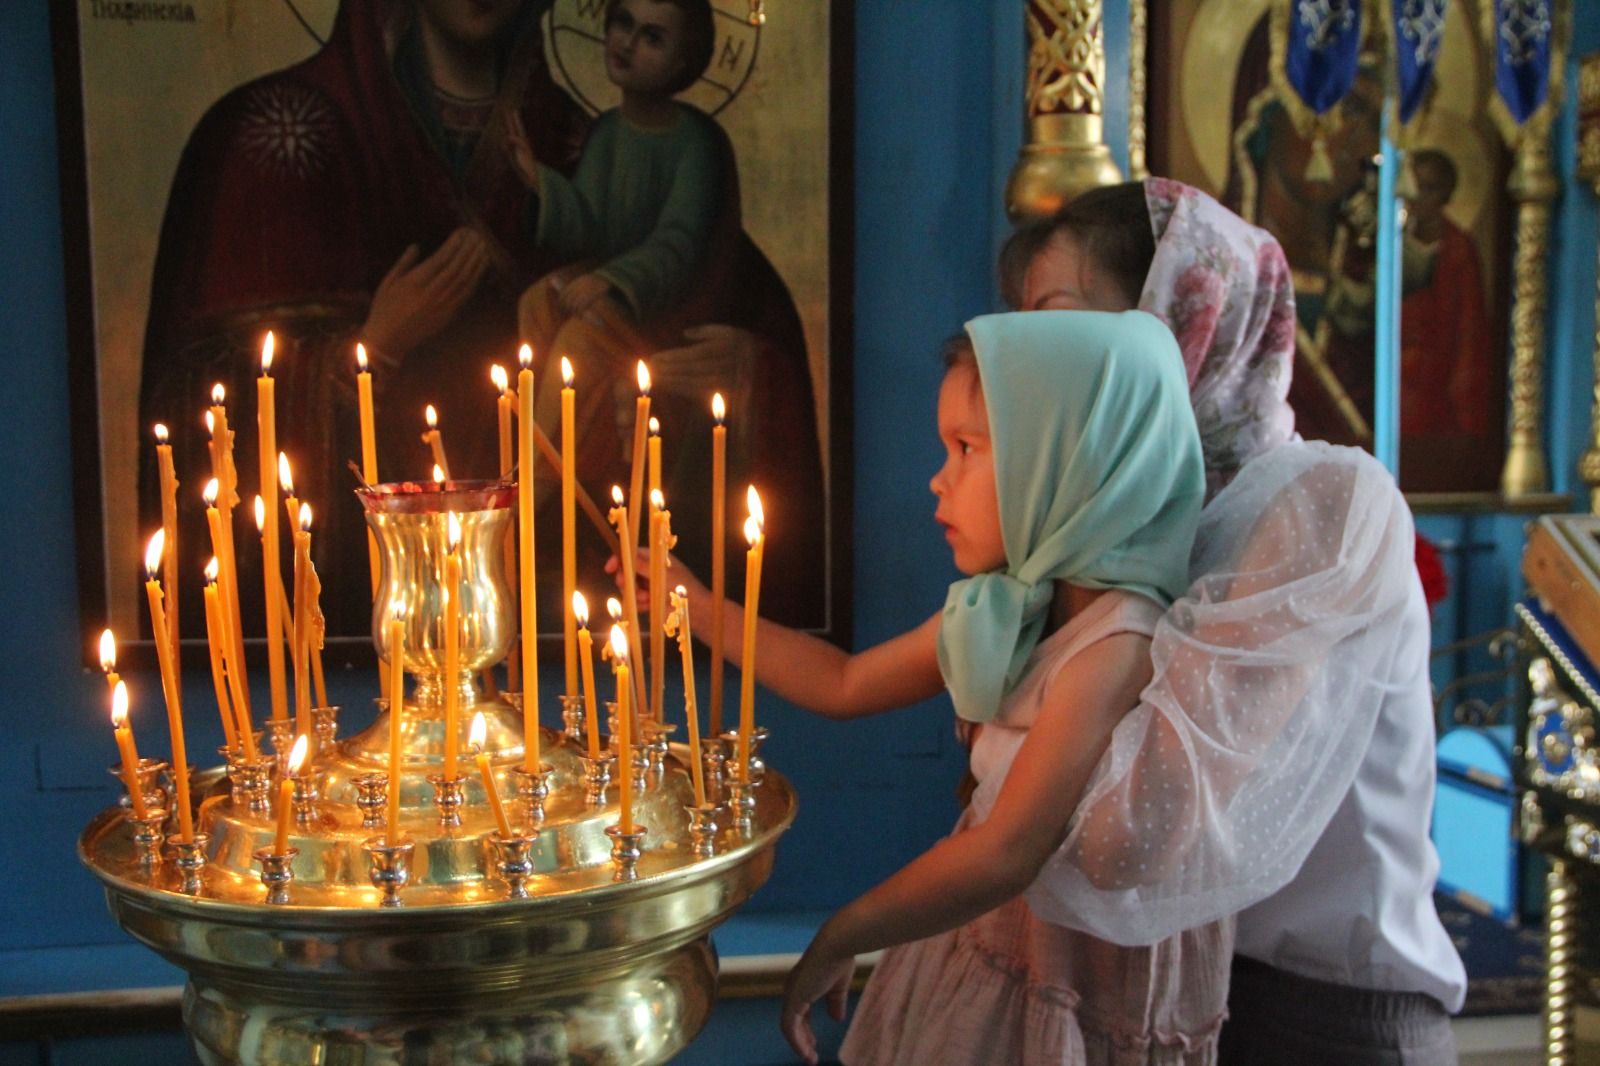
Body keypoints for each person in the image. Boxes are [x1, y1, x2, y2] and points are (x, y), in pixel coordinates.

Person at [666, 309, 1220, 1063]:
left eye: (967, 449)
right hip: (980, 944)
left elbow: (1005, 852)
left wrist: (843, 932)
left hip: (1063, 982)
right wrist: (698, 607)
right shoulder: (1010, 604)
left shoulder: (1117, 645)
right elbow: (845, 681)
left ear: (1070, 465)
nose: (939, 477)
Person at [1001, 179, 1464, 1065]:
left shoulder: (1322, 501)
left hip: (1321, 1017)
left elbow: (1123, 838)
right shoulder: (1120, 517)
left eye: (1061, 320)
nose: (1034, 359)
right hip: (1167, 1001)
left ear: (1187, 312)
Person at [137, 0, 587, 637]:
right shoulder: (271, 133)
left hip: (520, 608)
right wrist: (369, 352)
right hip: (349, 591)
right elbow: (190, 407)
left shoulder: (585, 154)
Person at [508, 0, 827, 627]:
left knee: (575, 339)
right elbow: (592, 219)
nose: (626, 43)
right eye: (622, 22)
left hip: (667, 311)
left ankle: (531, 485)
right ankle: (563, 456)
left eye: (651, 37)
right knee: (535, 303)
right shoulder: (605, 134)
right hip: (620, 296)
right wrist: (540, 182)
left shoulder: (698, 143)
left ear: (686, 61)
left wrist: (611, 281)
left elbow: (679, 245)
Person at [1398, 148, 1491, 438]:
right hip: (1391, 373)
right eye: (1415, 187)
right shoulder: (1392, 241)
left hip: (1435, 378)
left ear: (1446, 195)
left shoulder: (1459, 249)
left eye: (1430, 189)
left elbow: (1469, 328)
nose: (1419, 198)